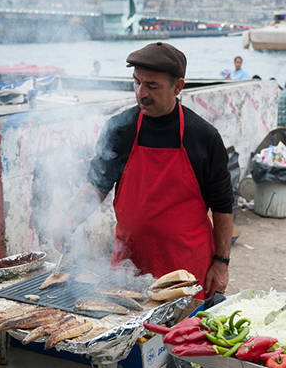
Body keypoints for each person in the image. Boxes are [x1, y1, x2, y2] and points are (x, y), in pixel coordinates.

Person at [53, 42, 234, 301]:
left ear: (178, 86)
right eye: (136, 82)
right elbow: (96, 185)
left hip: (185, 265)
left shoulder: (203, 137)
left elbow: (223, 205)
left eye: (152, 86)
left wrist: (221, 261)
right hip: (130, 262)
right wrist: (68, 222)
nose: (141, 93)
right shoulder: (119, 129)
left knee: (179, 337)